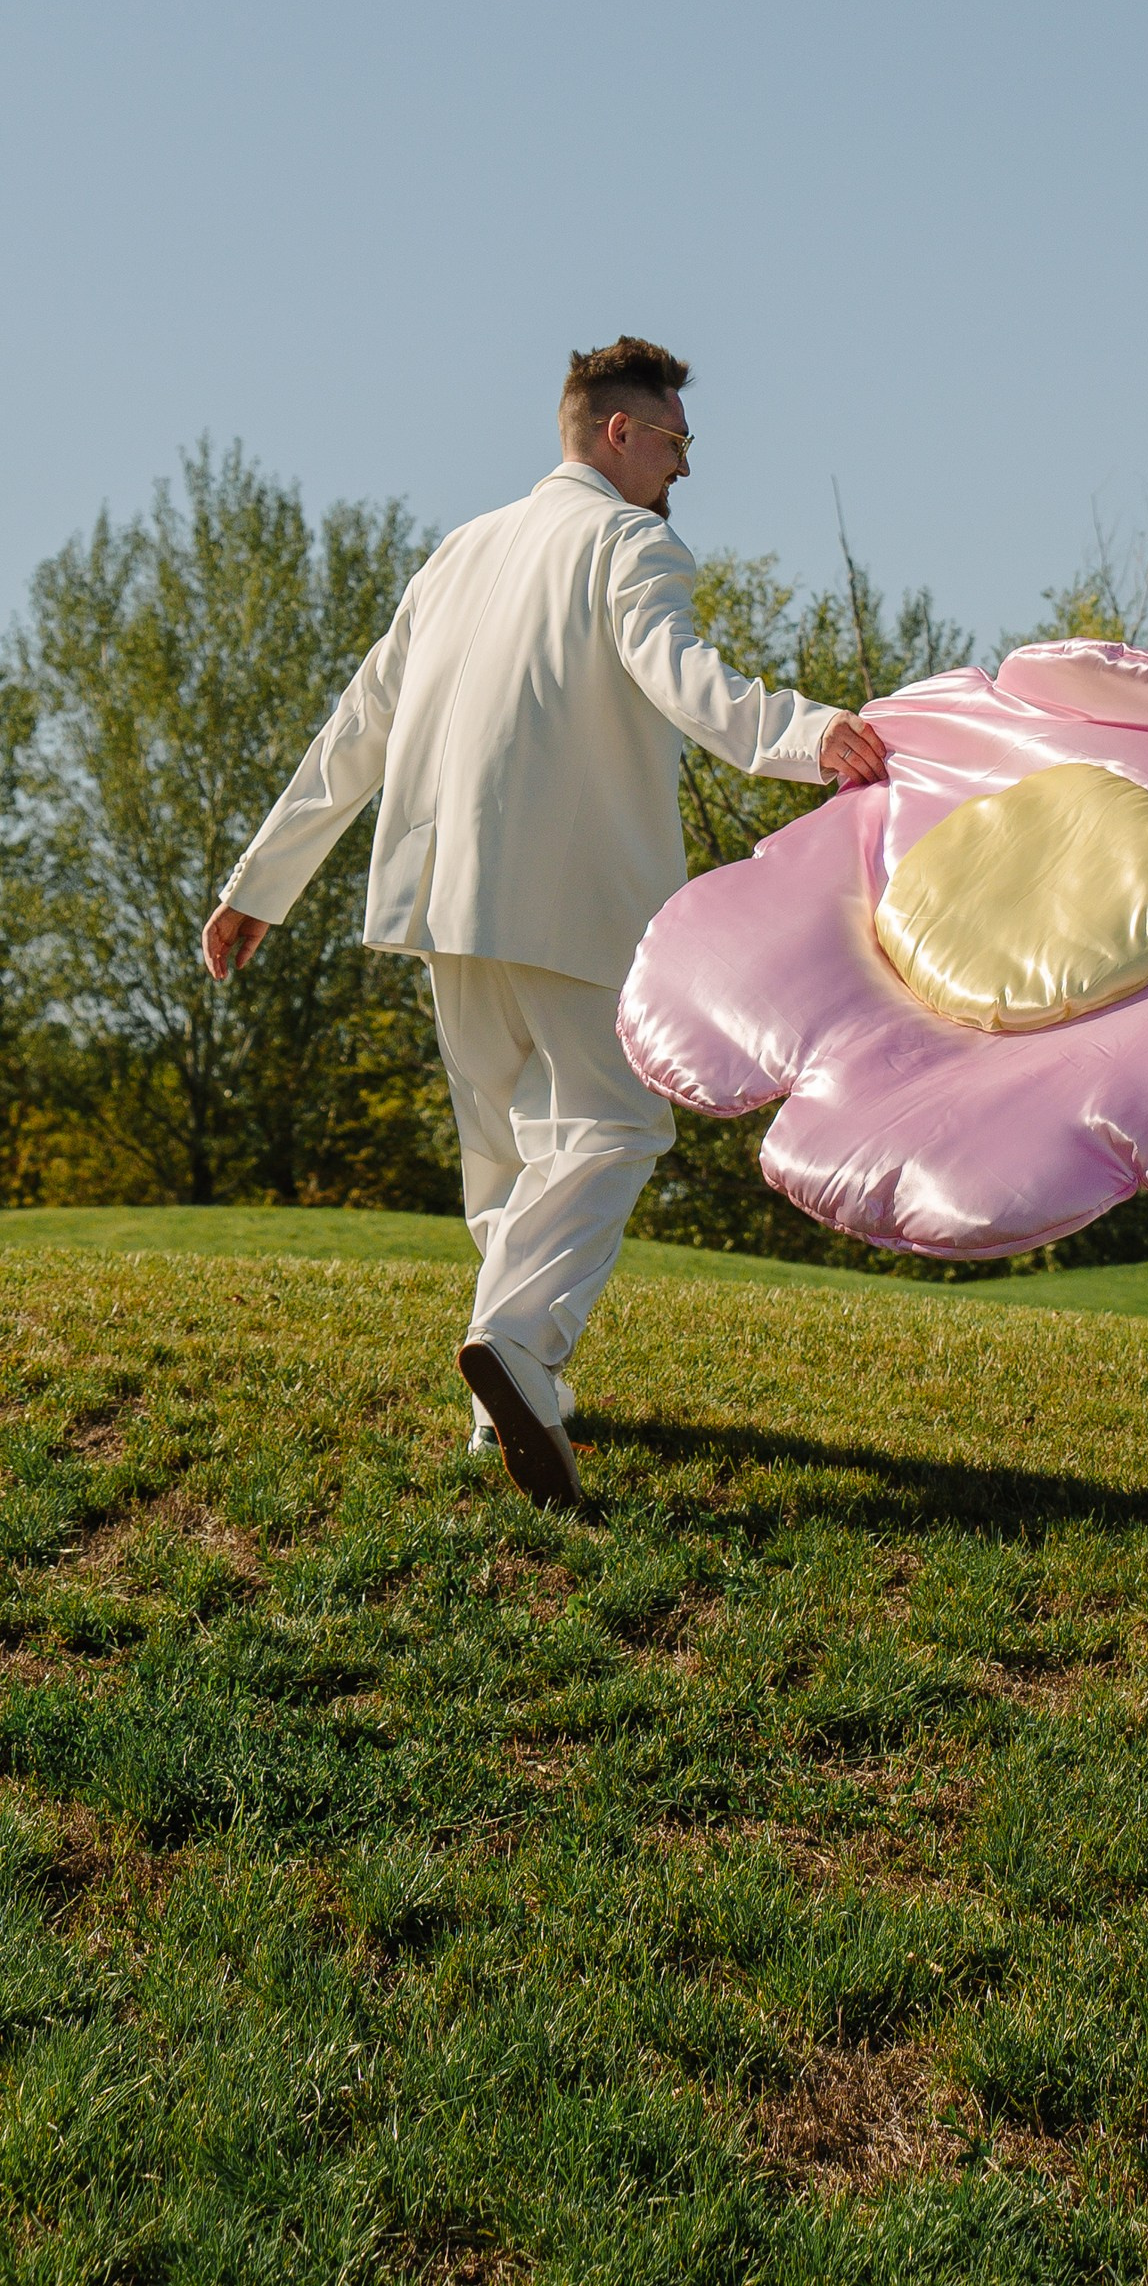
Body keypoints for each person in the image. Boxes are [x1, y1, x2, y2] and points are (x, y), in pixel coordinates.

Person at [204, 336, 887, 1505]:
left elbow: (354, 727)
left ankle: (502, 1407)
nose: (683, 470)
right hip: (569, 897)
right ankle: (517, 1350)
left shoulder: (459, 551)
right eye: (675, 442)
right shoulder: (629, 540)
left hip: (436, 898)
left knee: (510, 1159)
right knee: (618, 1129)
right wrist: (805, 732)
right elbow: (682, 672)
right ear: (619, 432)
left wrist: (256, 883)